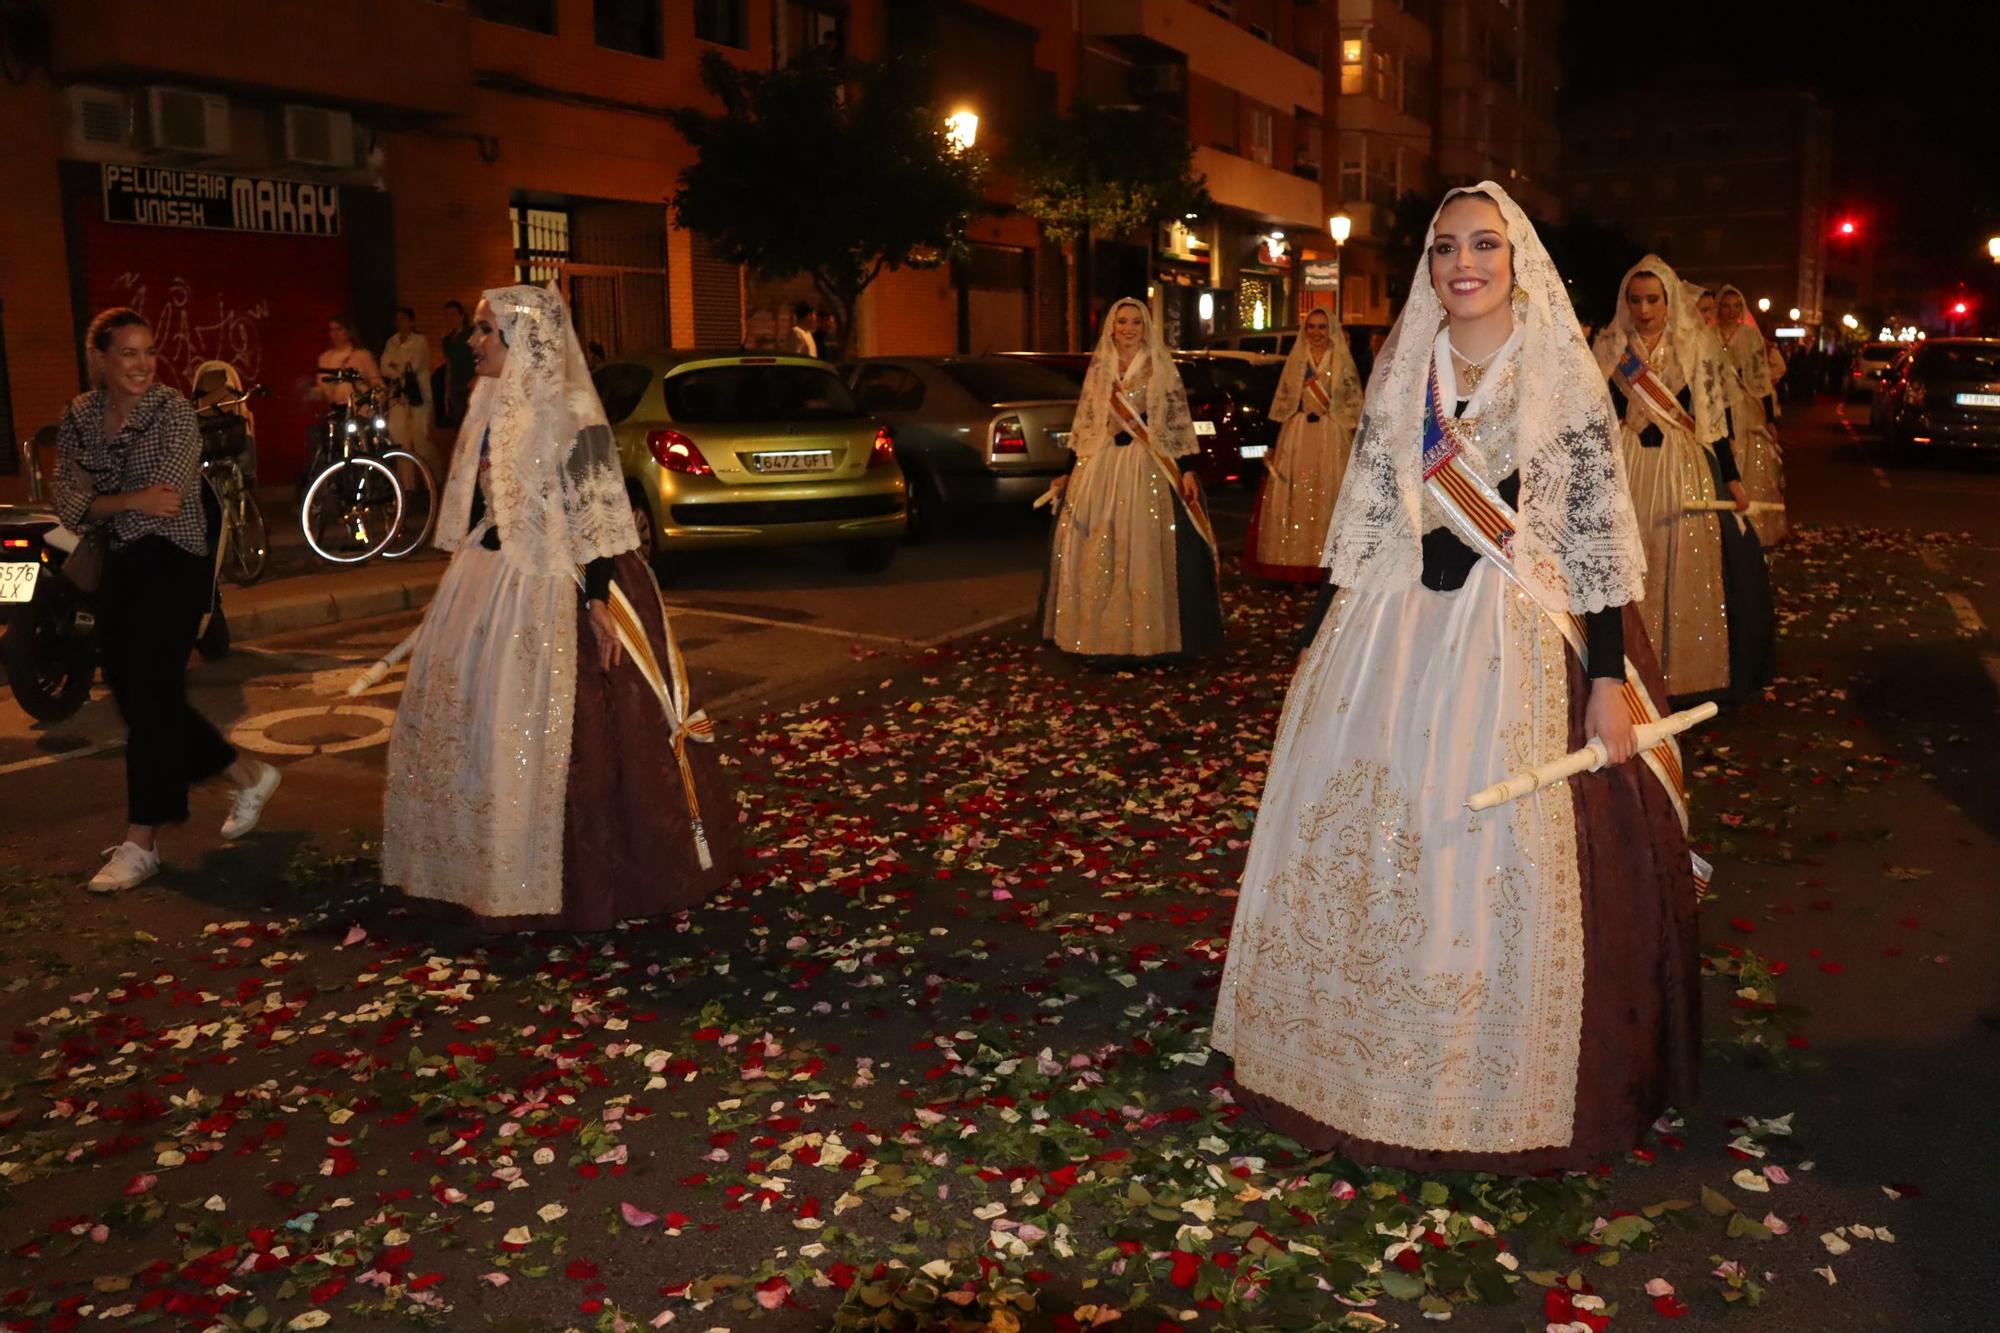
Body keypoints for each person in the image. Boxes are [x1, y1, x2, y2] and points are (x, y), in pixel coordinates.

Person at [1212, 185, 1698, 1173]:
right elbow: (1365, 528)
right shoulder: (1406, 371)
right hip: (1387, 632)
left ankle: (1493, 1080)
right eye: (1443, 249)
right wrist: (1313, 649)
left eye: (1482, 244)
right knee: (1366, 842)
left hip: (1521, 633)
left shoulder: (1561, 378)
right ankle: (1347, 1052)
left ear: (1516, 258)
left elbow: (1594, 543)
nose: (1460, 263)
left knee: (1493, 863)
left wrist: (1605, 681)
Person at [382, 284, 738, 930]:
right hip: (494, 577)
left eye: (487, 330)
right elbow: (497, 499)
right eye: (480, 329)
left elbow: (595, 512)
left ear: (523, 341)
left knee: (571, 742)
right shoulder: (487, 398)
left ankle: (562, 880)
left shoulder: (574, 409)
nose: (474, 340)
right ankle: (479, 864)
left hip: (565, 582)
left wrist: (598, 601)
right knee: (480, 722)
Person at [55, 309, 281, 893]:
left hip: (173, 562)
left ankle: (141, 842)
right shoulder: (79, 414)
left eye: (149, 351)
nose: (142, 364)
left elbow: (169, 498)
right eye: (128, 353)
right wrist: (119, 500)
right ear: (101, 358)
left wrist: (102, 497)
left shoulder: (173, 409)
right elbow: (65, 496)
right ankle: (247, 773)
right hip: (118, 565)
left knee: (152, 696)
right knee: (136, 698)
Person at [1042, 296, 1224, 663]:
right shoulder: (1100, 369)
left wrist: (1188, 468)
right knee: (1099, 545)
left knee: (1142, 546)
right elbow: (1086, 422)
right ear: (1111, 326)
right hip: (1101, 466)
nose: (1128, 329)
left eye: (1135, 323)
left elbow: (1175, 421)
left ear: (1146, 328)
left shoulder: (1159, 366)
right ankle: (1099, 637)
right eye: (1122, 322)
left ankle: (1145, 636)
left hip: (1147, 465)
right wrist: (1067, 469)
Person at [1591, 257, 1734, 704]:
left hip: (1679, 462)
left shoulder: (1696, 345)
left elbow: (1715, 415)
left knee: (1681, 559)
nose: (1644, 308)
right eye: (1635, 299)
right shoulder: (1611, 346)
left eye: (1653, 299)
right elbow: (1595, 412)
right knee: (1629, 561)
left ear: (1669, 299)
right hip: (1628, 460)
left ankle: (1682, 676)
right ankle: (1629, 671)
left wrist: (1732, 477)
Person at [1242, 307, 1363, 582]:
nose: (1317, 333)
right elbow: (1282, 401)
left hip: (1331, 433)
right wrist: (1272, 444)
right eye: (1312, 327)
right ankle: (1293, 563)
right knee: (1294, 495)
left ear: (1330, 330)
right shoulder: (1296, 361)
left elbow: (1353, 401)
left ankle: (1326, 563)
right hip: (1296, 433)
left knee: (1327, 492)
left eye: (1322, 327)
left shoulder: (1341, 361)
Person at [1713, 286, 1787, 545]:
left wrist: (1769, 417)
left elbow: (1762, 379)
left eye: (1737, 306)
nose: (1731, 311)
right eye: (1726, 305)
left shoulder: (1750, 337)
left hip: (1746, 406)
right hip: (1717, 404)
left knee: (1749, 460)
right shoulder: (1709, 335)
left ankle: (1753, 526)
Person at [380, 306, 434, 468]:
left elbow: (414, 366)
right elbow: (384, 367)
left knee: (421, 441)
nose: (400, 322)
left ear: (411, 321)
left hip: (417, 395)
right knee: (401, 440)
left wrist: (395, 365)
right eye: (397, 319)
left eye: (403, 318)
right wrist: (399, 369)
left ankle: (432, 477)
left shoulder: (420, 341)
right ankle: (407, 485)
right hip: (397, 395)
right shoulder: (391, 342)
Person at [310, 314, 381, 406]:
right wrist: (311, 392)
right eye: (332, 330)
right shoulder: (325, 358)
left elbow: (377, 383)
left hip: (360, 410)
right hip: (337, 409)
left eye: (339, 329)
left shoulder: (362, 355)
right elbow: (322, 390)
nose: (335, 333)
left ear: (348, 332)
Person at [437, 300, 475, 428]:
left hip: (471, 383)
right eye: (447, 315)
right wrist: (447, 392)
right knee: (459, 423)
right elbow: (449, 366)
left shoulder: (472, 333)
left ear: (462, 315)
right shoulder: (448, 339)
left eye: (453, 314)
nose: (450, 318)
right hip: (456, 386)